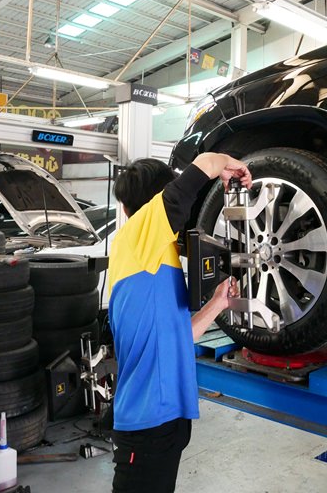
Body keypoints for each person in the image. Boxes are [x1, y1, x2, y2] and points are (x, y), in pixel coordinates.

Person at [107, 152, 252, 493]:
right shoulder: (137, 237)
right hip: (146, 424)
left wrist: (217, 304)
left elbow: (177, 336)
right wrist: (229, 163)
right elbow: (201, 166)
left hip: (167, 421)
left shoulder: (158, 260)